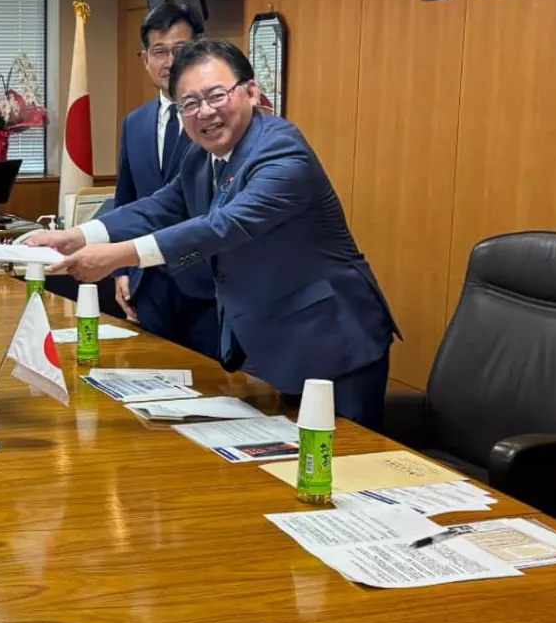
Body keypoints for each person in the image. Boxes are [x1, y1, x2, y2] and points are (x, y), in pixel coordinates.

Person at [30, 39, 399, 427]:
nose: (204, 112)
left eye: (216, 95)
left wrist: (119, 257)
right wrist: (77, 237)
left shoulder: (282, 151)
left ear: (251, 92)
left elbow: (224, 226)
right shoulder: (202, 155)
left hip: (333, 342)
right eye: (189, 104)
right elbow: (163, 206)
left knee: (337, 467)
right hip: (267, 339)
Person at [112, 3, 217, 356]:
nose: (169, 62)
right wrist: (121, 269)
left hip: (206, 286)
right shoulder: (134, 123)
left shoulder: (215, 120)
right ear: (145, 58)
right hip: (148, 284)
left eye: (181, 51)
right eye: (159, 51)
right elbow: (126, 202)